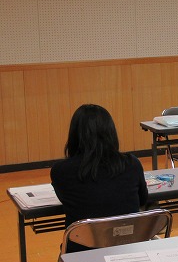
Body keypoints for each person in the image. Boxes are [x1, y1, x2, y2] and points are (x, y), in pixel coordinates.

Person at [51, 104, 148, 252]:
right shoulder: (132, 164)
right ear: (111, 132)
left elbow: (66, 200)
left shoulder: (61, 171)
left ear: (74, 135)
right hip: (127, 250)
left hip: (81, 255)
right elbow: (143, 200)